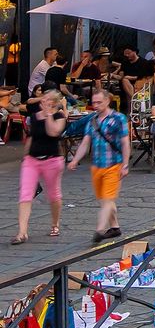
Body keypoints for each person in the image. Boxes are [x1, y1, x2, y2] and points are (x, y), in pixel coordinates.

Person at [68, 89, 129, 241]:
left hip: (114, 163)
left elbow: (125, 142)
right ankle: (115, 227)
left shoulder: (118, 118)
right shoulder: (92, 120)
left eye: (99, 102)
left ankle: (100, 229)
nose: (95, 105)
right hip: (97, 165)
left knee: (107, 199)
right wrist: (75, 159)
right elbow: (86, 142)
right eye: (93, 102)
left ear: (107, 101)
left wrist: (125, 164)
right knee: (103, 199)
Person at [14, 91, 65, 243]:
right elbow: (31, 136)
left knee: (53, 195)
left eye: (49, 100)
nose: (45, 102)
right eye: (44, 100)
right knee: (25, 194)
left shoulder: (59, 116)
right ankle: (22, 232)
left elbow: (53, 132)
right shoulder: (35, 116)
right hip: (33, 159)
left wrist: (49, 114)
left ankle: (55, 224)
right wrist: (25, 157)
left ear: (55, 103)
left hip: (52, 159)